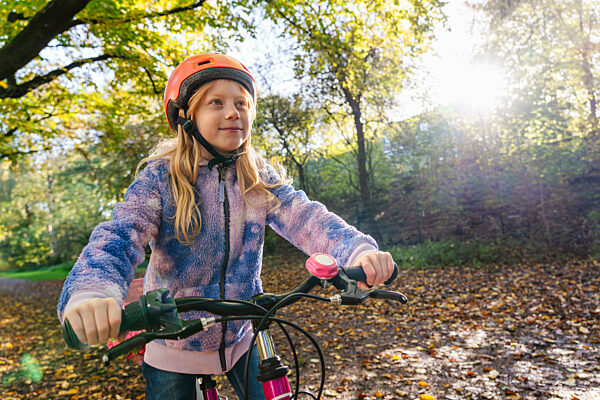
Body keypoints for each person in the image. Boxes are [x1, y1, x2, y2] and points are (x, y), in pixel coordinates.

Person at [57, 53, 395, 400]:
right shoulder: (160, 178)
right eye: (216, 102)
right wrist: (92, 291)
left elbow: (306, 217)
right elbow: (119, 235)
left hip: (243, 334)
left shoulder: (257, 177)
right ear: (187, 118)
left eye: (241, 103)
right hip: (175, 340)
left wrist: (358, 250)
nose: (233, 112)